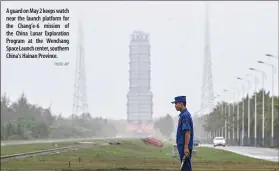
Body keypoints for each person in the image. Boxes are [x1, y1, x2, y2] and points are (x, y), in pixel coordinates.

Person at [171, 96, 194, 171]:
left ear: (181, 104)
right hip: (183, 145)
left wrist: (186, 147)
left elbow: (187, 132)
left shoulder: (185, 116)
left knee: (186, 167)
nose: (175, 106)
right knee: (185, 167)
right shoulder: (183, 115)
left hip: (184, 146)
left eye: (176, 104)